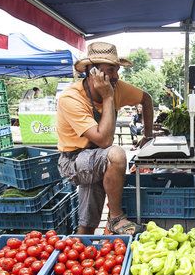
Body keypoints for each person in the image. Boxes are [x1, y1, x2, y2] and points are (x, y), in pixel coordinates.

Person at [56, 42, 154, 235]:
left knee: (88, 224)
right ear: (93, 72)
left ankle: (86, 247)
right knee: (116, 155)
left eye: (117, 70)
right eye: (110, 70)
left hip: (96, 157)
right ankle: (116, 218)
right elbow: (104, 141)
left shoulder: (116, 87)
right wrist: (108, 97)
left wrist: (148, 136)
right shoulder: (71, 98)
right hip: (74, 160)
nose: (116, 76)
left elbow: (146, 99)